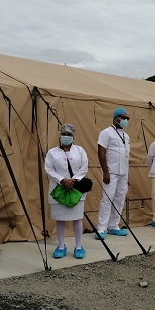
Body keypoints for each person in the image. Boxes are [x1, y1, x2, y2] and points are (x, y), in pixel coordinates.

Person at [45, 124, 89, 259]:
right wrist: (62, 180)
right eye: (64, 133)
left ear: (74, 136)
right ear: (60, 135)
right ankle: (61, 245)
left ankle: (79, 246)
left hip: (75, 189)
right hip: (59, 189)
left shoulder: (80, 151)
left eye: (69, 134)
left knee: (77, 218)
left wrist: (73, 180)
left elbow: (84, 167)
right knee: (60, 219)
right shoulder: (52, 152)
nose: (66, 136)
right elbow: (49, 169)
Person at [96, 107, 130, 239]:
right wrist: (105, 171)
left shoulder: (126, 136)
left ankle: (114, 226)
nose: (125, 120)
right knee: (107, 199)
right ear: (115, 118)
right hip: (111, 172)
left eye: (127, 118)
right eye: (123, 118)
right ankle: (101, 228)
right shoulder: (106, 133)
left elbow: (125, 155)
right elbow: (101, 152)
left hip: (123, 173)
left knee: (120, 199)